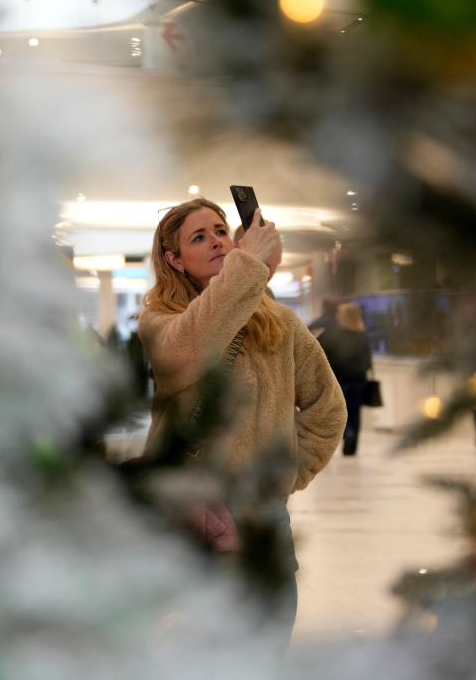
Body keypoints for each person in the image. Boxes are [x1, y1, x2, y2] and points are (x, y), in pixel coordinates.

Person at [138, 197, 345, 646]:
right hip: (190, 522)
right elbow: (191, 349)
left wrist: (284, 474)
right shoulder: (159, 322)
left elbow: (328, 410)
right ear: (175, 260)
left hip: (262, 520)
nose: (216, 241)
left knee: (267, 650)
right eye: (199, 237)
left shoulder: (282, 324)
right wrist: (249, 265)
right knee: (200, 667)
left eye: (220, 231)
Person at [318, 303, 373, 456]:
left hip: (339, 379)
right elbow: (368, 359)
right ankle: (352, 444)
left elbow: (322, 355)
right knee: (355, 412)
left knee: (340, 410)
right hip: (358, 379)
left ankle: (345, 432)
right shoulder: (362, 336)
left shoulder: (333, 334)